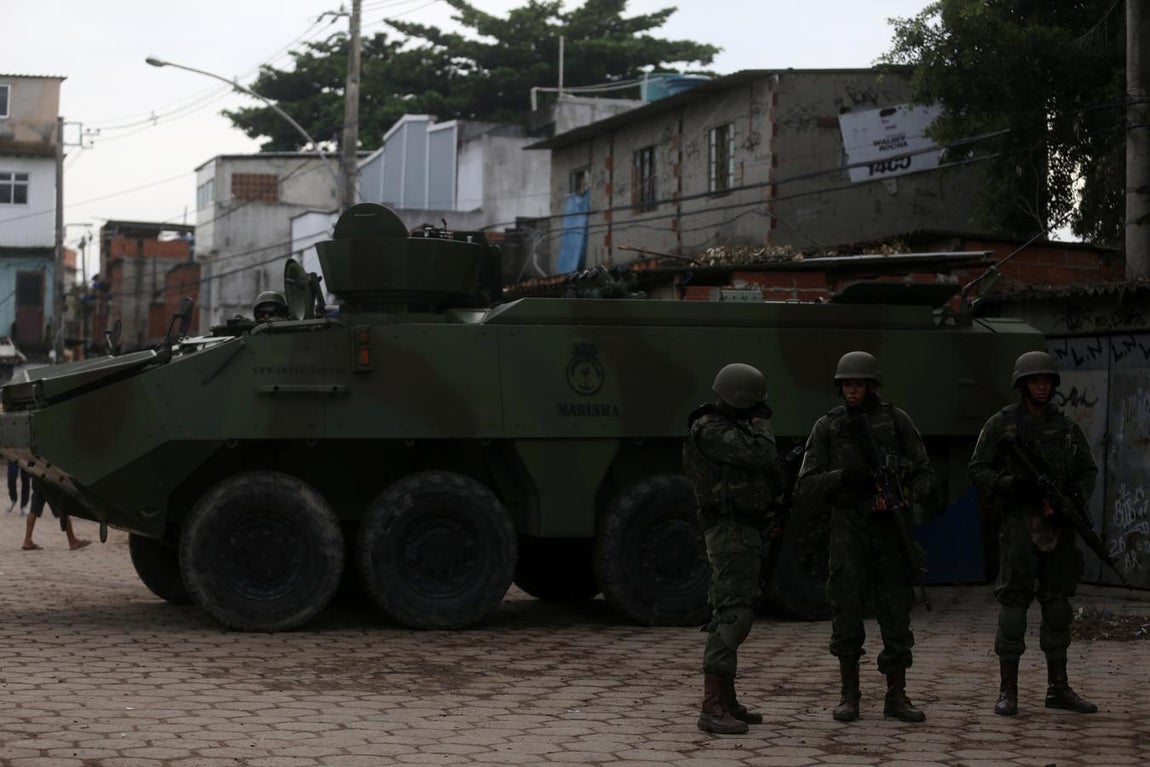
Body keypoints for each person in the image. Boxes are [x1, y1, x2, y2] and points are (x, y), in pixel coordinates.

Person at [796, 351, 934, 723]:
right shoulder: (827, 426)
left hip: (889, 528)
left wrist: (899, 497)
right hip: (848, 530)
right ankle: (849, 695)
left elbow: (924, 473)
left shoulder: (895, 420)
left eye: (858, 384)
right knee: (846, 609)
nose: (852, 390)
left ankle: (897, 694)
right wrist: (844, 477)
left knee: (895, 611)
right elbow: (806, 485)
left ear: (871, 385)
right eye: (846, 384)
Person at [968, 350, 1099, 716]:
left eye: (1046, 381)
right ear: (1022, 384)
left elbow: (1087, 471)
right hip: (1018, 527)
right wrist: (1012, 484)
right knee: (1014, 606)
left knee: (1058, 607)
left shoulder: (1068, 427)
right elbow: (977, 470)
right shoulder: (1002, 425)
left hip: (1058, 527)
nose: (1041, 387)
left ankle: (1059, 687)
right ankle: (1008, 691)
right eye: (1034, 380)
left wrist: (1068, 501)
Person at [683, 362, 783, 735]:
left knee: (734, 608)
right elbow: (762, 454)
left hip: (743, 531)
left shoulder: (729, 427)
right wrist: (762, 422)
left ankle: (727, 699)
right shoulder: (711, 429)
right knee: (733, 614)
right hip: (729, 533)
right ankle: (711, 707)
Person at [21, 485, 90, 551]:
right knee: (63, 509)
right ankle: (72, 540)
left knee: (34, 510)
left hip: (38, 480)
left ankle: (27, 540)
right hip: (48, 482)